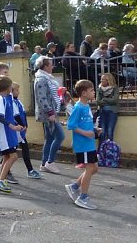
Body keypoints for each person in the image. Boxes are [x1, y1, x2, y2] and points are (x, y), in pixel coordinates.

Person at [65, 79, 100, 210]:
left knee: (94, 168)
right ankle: (83, 197)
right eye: (91, 90)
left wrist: (95, 130)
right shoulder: (78, 107)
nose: (94, 92)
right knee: (90, 168)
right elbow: (71, 125)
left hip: (89, 144)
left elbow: (86, 124)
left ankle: (74, 187)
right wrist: (86, 133)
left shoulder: (87, 106)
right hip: (83, 145)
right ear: (84, 93)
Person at [0, 75, 22, 194]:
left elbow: (8, 115)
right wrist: (12, 126)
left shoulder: (6, 98)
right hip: (5, 134)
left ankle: (0, 180)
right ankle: (0, 181)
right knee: (13, 157)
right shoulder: (1, 100)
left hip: (7, 133)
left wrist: (15, 124)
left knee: (7, 157)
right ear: (8, 88)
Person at [34, 56, 64, 174]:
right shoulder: (41, 79)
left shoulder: (46, 78)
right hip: (49, 114)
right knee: (60, 136)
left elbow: (50, 95)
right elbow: (42, 98)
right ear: (45, 66)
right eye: (51, 64)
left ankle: (44, 163)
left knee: (50, 138)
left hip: (51, 112)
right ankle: (50, 162)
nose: (53, 66)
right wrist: (50, 112)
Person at [11, 82, 42, 179]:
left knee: (13, 150)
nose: (18, 92)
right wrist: (22, 125)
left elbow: (23, 114)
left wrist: (26, 125)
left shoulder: (18, 101)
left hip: (21, 129)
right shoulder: (11, 102)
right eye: (16, 90)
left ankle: (0, 165)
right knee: (20, 149)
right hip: (17, 130)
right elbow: (16, 116)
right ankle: (30, 170)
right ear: (11, 92)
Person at [96, 72, 119, 143]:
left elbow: (115, 100)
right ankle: (101, 150)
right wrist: (109, 100)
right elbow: (98, 101)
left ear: (108, 80)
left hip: (112, 112)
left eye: (103, 79)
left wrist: (105, 99)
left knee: (110, 131)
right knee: (102, 132)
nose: (101, 81)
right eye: (101, 79)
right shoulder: (100, 88)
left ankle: (109, 150)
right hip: (102, 112)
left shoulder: (115, 88)